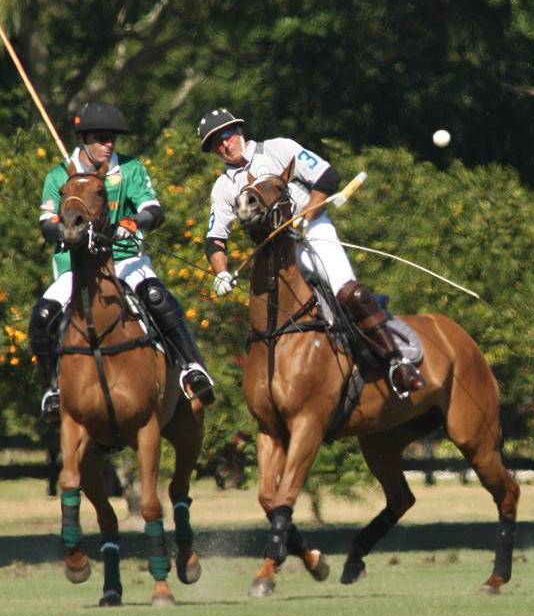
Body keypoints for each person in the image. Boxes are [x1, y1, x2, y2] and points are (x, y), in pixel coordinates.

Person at [197, 107, 426, 397]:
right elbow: (215, 238)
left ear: (239, 132)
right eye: (216, 144)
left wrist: (305, 219)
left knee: (348, 292)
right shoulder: (223, 188)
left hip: (312, 232)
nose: (224, 145)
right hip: (274, 253)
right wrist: (221, 273)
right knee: (267, 317)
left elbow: (327, 177)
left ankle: (397, 363)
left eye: (226, 136)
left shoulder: (278, 148)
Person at [29, 100, 214, 425]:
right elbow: (46, 223)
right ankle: (51, 390)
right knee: (43, 315)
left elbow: (153, 210)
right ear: (83, 138)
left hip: (125, 260)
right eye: (100, 137)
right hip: (76, 268)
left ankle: (192, 366)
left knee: (157, 296)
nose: (108, 144)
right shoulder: (59, 174)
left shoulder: (129, 169)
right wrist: (67, 229)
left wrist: (132, 222)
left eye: (112, 137)